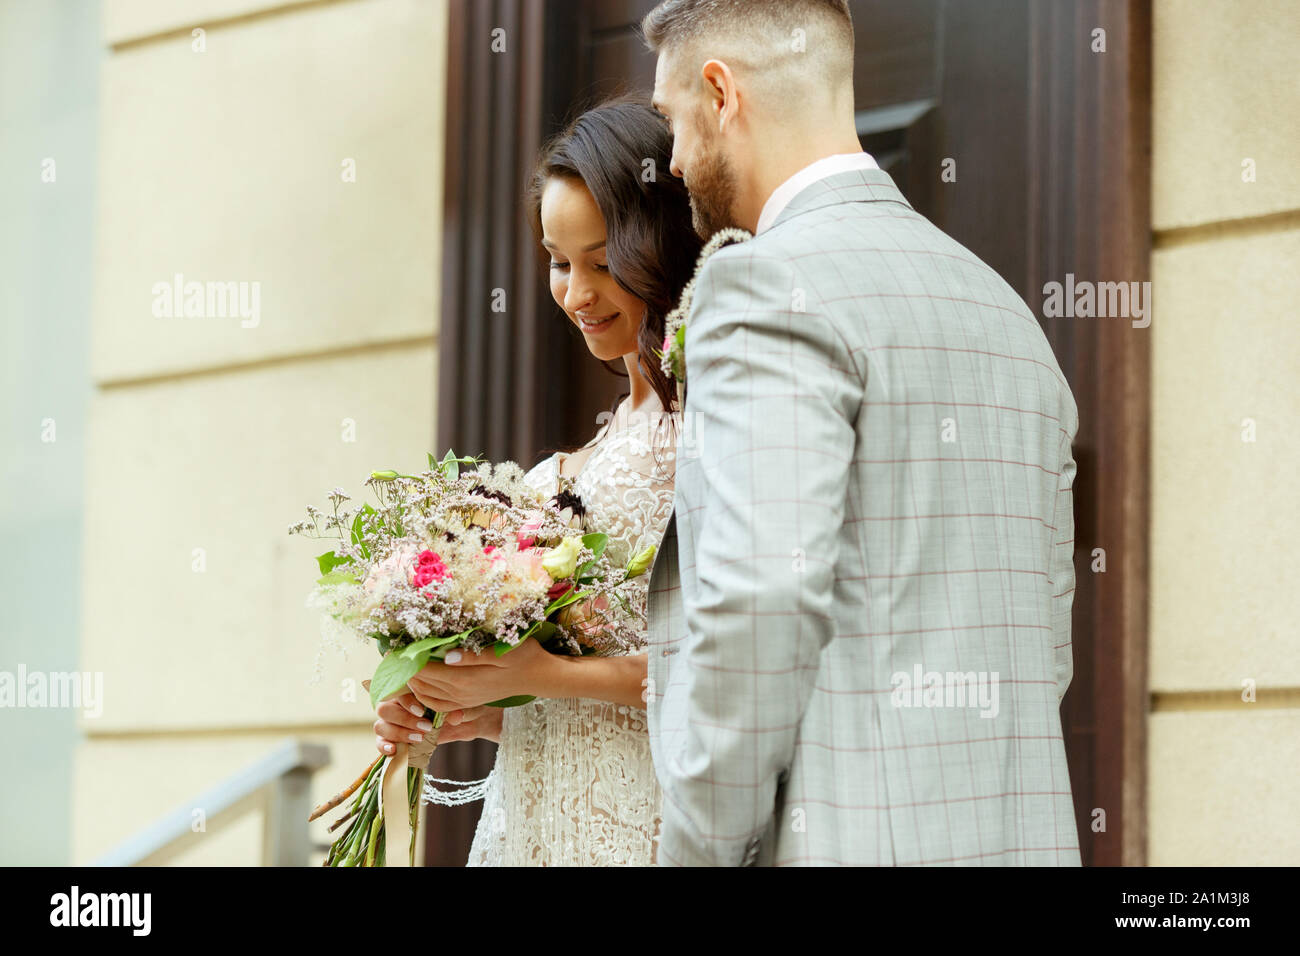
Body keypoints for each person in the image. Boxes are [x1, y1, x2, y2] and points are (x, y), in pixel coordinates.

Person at [642, 0, 1082, 866]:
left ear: (721, 94)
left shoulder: (762, 285)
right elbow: (1047, 640)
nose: (673, 160)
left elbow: (759, 603)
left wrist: (698, 851)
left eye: (671, 123)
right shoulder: (1004, 310)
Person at [371, 98, 702, 864]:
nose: (577, 294)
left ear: (660, 243)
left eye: (603, 260)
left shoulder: (712, 431)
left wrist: (545, 672)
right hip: (528, 831)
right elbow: (563, 702)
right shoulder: (583, 458)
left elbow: (726, 667)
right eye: (559, 261)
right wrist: (464, 704)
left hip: (644, 831)